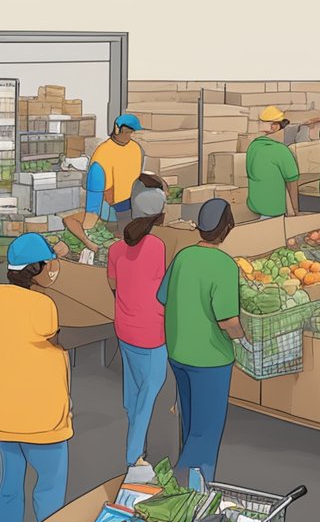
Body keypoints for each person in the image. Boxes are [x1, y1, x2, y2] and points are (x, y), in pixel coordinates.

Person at [157, 199, 243, 483]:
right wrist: (244, 338)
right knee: (206, 432)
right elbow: (227, 320)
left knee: (191, 422)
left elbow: (163, 296)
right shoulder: (224, 265)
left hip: (179, 352)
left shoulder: (183, 257)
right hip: (210, 359)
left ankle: (191, 487)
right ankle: (186, 492)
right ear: (227, 227)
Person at [0, 234, 71, 522]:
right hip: (43, 419)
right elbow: (50, 337)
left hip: (5, 416)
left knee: (9, 489)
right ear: (37, 268)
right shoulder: (44, 305)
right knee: (49, 489)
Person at [107, 177, 169, 469]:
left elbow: (113, 284)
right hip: (151, 332)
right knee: (150, 389)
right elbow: (161, 288)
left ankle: (137, 439)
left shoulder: (116, 249)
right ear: (159, 216)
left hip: (124, 327)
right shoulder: (157, 246)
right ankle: (134, 456)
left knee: (133, 388)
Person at [68, 114, 146, 251]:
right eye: (126, 132)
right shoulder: (103, 152)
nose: (128, 135)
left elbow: (137, 175)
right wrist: (93, 216)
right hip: (111, 208)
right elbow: (97, 189)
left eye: (131, 132)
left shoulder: (136, 149)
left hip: (132, 204)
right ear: (117, 129)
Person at [246, 106, 300, 219]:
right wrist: (295, 211)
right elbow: (292, 182)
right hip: (274, 209)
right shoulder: (281, 150)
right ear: (275, 127)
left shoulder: (253, 146)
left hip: (255, 205)